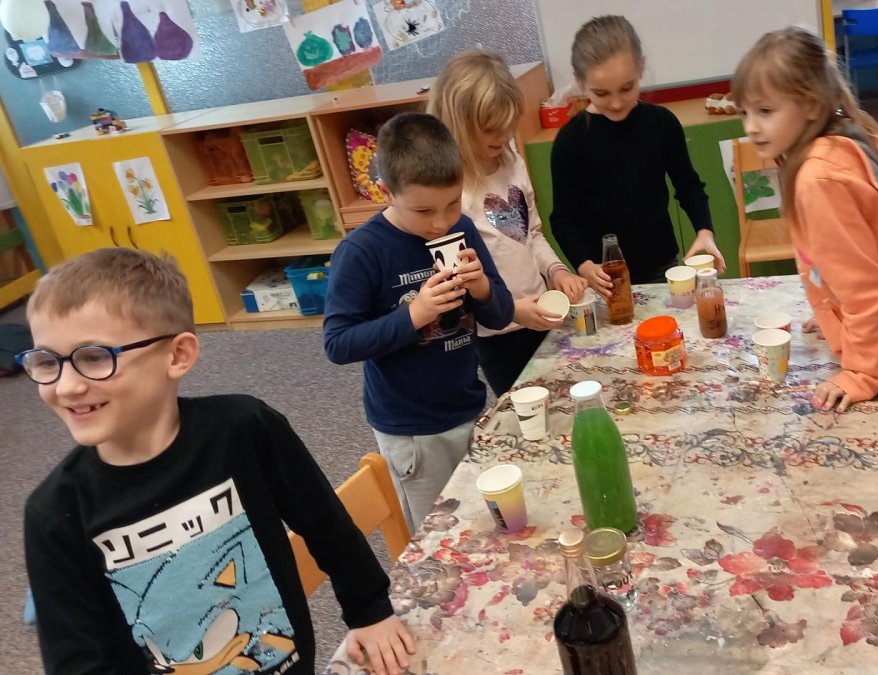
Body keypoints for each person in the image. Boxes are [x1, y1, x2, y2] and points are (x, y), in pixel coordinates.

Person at [20, 248, 416, 674]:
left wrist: (370, 610)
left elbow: (326, 526)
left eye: (95, 357)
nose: (66, 386)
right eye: (46, 361)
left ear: (177, 355)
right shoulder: (54, 511)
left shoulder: (244, 429)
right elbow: (75, 659)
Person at [731, 27, 878, 411]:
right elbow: (851, 264)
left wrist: (861, 372)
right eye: (744, 112)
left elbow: (866, 290)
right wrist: (832, 311)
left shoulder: (818, 180)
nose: (750, 127)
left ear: (811, 105)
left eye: (765, 111)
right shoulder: (838, 145)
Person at [324, 112, 514, 533]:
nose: (441, 222)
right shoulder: (361, 252)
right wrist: (415, 315)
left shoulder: (462, 229)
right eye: (424, 210)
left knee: (485, 525)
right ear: (386, 192)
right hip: (412, 430)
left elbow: (500, 315)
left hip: (468, 406)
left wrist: (482, 287)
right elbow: (338, 343)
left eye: (452, 203)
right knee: (438, 536)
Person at [427, 49, 588, 394]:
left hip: (541, 312)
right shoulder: (450, 192)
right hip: (497, 332)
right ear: (458, 123)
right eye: (490, 129)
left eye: (508, 126)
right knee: (523, 407)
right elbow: (457, 280)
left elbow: (531, 235)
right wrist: (512, 310)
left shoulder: (512, 163)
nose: (501, 138)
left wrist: (556, 271)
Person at [550, 14, 724, 294]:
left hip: (661, 266)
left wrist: (705, 231)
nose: (616, 103)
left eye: (626, 88)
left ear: (641, 67)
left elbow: (688, 186)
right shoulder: (570, 141)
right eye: (601, 93)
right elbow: (562, 219)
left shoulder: (661, 123)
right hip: (606, 277)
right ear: (580, 81)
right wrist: (584, 265)